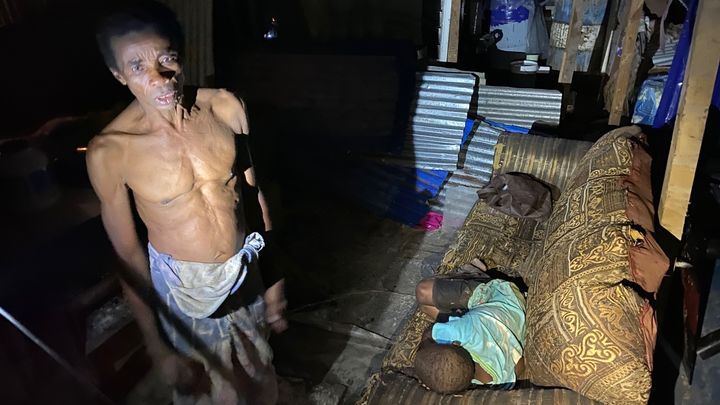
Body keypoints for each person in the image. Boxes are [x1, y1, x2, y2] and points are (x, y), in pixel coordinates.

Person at [87, 3, 285, 404]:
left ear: (182, 56)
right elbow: (127, 252)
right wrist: (158, 348)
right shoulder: (112, 151)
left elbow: (253, 195)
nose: (159, 78)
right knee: (209, 391)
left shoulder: (225, 107)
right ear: (118, 75)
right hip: (184, 295)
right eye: (137, 66)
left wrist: (274, 280)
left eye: (166, 59)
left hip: (243, 275)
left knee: (258, 372)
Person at [414, 270, 526, 393]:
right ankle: (472, 276)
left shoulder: (499, 382)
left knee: (427, 307)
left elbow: (520, 366)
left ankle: (460, 314)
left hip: (512, 317)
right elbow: (430, 332)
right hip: (504, 297)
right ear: (456, 343)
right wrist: (427, 343)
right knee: (423, 293)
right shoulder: (463, 334)